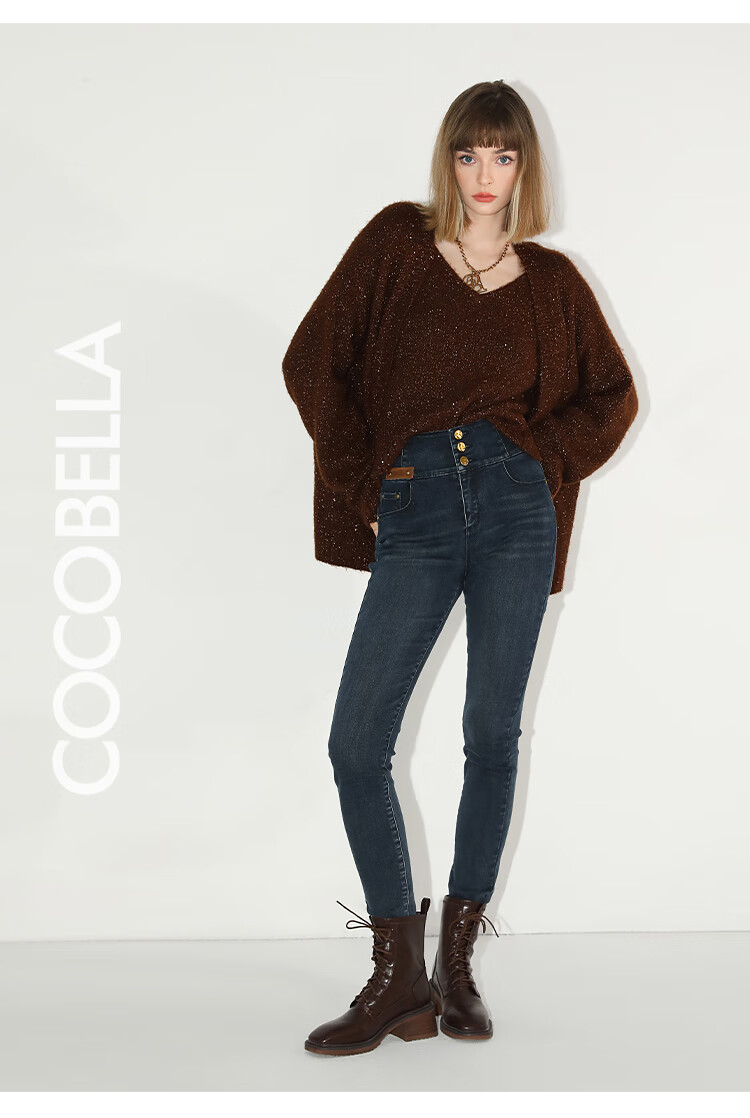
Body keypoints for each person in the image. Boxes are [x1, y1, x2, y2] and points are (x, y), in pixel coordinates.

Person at [282, 79, 639, 1057]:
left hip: (518, 511)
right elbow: (313, 361)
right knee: (359, 743)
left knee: (492, 735)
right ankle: (398, 975)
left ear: (526, 168)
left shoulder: (553, 282)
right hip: (419, 504)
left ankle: (458, 964)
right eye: (470, 153)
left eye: (504, 155)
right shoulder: (397, 244)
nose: (486, 174)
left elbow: (612, 394)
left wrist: (542, 457)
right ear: (448, 160)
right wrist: (365, 479)